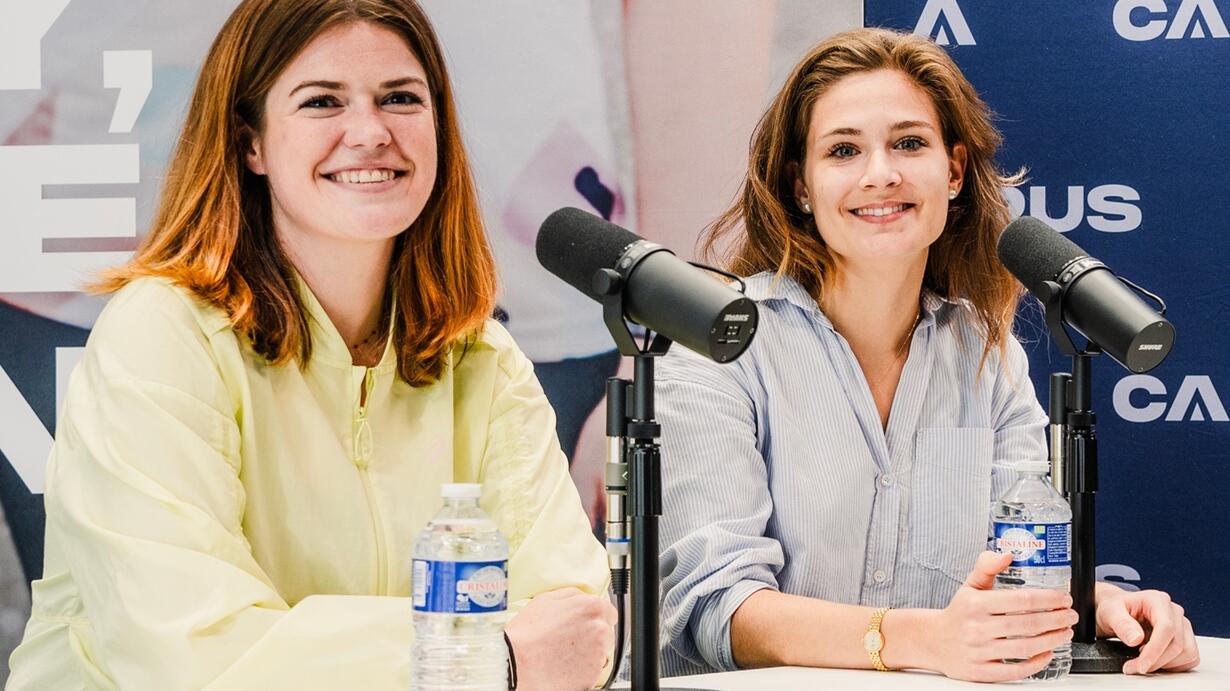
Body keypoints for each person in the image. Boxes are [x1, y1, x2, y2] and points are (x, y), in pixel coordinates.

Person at [5, 1, 615, 689]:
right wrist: (483, 656)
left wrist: (497, 655)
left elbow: (573, 628)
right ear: (252, 144)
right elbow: (193, 652)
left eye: (401, 98)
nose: (371, 131)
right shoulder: (162, 336)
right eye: (323, 101)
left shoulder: (483, 359)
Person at [653, 28, 1200, 682]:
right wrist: (920, 639)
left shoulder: (988, 357)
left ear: (954, 171)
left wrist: (1096, 605)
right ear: (801, 186)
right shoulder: (720, 344)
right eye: (844, 150)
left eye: (909, 143)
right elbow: (715, 606)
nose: (880, 174)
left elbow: (1016, 565)